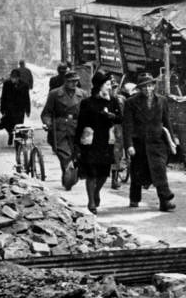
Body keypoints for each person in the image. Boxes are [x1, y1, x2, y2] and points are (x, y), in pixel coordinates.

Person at [123, 72, 179, 212]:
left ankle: (165, 200)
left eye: (150, 86)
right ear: (139, 89)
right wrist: (129, 145)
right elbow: (127, 126)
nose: (148, 89)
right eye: (144, 87)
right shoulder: (131, 102)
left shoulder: (162, 101)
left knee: (159, 168)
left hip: (157, 141)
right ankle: (134, 198)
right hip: (139, 143)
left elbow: (167, 122)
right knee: (137, 171)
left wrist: (172, 140)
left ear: (154, 86)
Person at [74, 71, 121, 214]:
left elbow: (120, 118)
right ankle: (91, 201)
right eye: (107, 84)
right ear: (100, 86)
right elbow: (80, 123)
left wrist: (112, 115)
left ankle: (96, 192)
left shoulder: (113, 101)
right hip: (91, 142)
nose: (109, 87)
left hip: (106, 141)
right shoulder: (87, 103)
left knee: (103, 174)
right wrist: (76, 144)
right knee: (91, 173)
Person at [41, 70, 86, 186]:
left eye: (76, 81)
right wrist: (48, 123)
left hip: (78, 128)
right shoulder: (55, 94)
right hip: (60, 128)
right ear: (65, 81)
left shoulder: (83, 94)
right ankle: (69, 173)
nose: (74, 83)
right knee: (64, 154)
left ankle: (68, 174)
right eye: (71, 81)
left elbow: (88, 112)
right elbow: (46, 113)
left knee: (77, 154)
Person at [110, 81, 135, 189]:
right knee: (116, 151)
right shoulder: (107, 98)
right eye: (112, 87)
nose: (113, 89)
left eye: (115, 87)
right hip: (115, 127)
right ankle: (114, 178)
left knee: (120, 150)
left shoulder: (121, 99)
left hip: (121, 126)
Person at [0, 69, 30, 146]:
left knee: (18, 125)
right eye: (12, 77)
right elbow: (3, 97)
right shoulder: (7, 84)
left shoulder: (24, 85)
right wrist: (2, 109)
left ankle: (18, 142)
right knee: (8, 124)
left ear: (18, 78)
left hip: (20, 109)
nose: (13, 79)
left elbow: (27, 98)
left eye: (15, 77)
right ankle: (10, 134)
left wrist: (28, 110)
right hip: (9, 108)